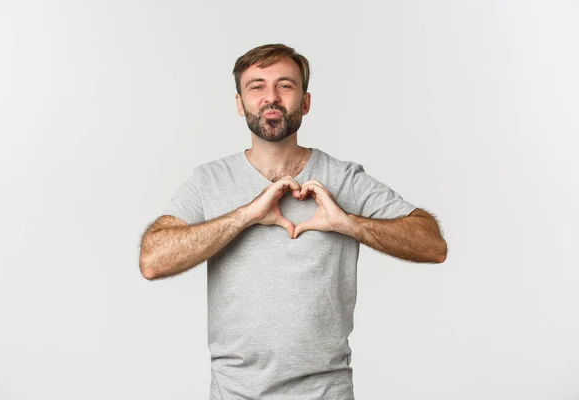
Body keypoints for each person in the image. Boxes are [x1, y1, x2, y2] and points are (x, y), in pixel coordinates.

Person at [139, 43, 447, 400]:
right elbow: (152, 260)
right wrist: (246, 215)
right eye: (256, 86)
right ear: (240, 104)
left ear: (305, 102)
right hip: (234, 394)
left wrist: (347, 223)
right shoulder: (210, 181)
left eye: (285, 85)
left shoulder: (343, 178)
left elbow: (432, 244)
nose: (271, 96)